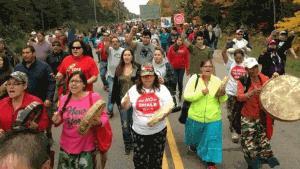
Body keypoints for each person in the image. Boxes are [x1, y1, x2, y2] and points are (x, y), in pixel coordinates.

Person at [52, 71, 110, 169]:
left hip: (87, 146)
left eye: (77, 81)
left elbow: (104, 116)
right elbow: (59, 118)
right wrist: (56, 120)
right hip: (66, 146)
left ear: (84, 84)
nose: (74, 84)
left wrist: (98, 122)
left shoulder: (93, 97)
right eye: (71, 81)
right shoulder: (64, 99)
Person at [121, 63, 174, 169]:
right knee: (139, 161)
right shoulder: (134, 90)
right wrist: (125, 102)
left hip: (158, 132)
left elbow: (170, 105)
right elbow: (125, 106)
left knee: (156, 160)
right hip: (139, 133)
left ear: (154, 76)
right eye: (144, 76)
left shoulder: (162, 89)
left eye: (150, 75)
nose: (147, 78)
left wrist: (163, 115)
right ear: (140, 77)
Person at [183, 59, 227, 169]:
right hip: (195, 116)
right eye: (205, 66)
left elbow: (222, 100)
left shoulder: (217, 80)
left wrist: (222, 94)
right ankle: (194, 145)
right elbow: (187, 96)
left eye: (210, 66)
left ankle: (211, 162)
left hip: (213, 118)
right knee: (194, 139)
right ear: (201, 68)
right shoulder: (195, 79)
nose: (208, 68)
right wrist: (201, 93)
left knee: (213, 140)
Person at [237, 57, 280, 169]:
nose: (255, 70)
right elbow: (239, 97)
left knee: (262, 143)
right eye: (251, 68)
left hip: (261, 118)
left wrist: (276, 79)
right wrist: (251, 93)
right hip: (247, 117)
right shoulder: (243, 80)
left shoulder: (264, 78)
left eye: (256, 66)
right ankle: (252, 165)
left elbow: (273, 90)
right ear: (247, 69)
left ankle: (256, 165)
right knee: (248, 144)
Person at [0, 71, 49, 136]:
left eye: (16, 84)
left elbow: (44, 124)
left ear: (25, 86)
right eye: (8, 84)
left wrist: (37, 127)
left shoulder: (36, 102)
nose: (11, 87)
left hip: (28, 143)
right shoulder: (2, 103)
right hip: (5, 143)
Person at [111, 49, 140, 155]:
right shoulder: (118, 69)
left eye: (129, 55)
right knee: (125, 125)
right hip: (122, 102)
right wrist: (114, 101)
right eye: (125, 55)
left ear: (132, 56)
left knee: (134, 124)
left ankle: (135, 142)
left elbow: (142, 83)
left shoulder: (138, 68)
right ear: (122, 57)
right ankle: (127, 144)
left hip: (135, 102)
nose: (127, 57)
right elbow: (115, 86)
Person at [14, 45, 55, 111]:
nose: (25, 55)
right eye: (23, 53)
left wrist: (49, 98)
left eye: (27, 53)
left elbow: (52, 83)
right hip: (23, 102)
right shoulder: (18, 67)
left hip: (40, 101)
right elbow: (13, 83)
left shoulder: (44, 66)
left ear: (34, 53)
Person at [222, 49, 247, 143]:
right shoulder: (230, 63)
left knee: (240, 112)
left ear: (243, 57)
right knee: (230, 113)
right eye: (236, 58)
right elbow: (223, 53)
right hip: (230, 92)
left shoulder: (246, 65)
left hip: (241, 93)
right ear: (234, 57)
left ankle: (237, 130)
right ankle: (233, 129)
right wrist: (227, 46)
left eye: (240, 58)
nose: (238, 60)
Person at [106, 36, 124, 117]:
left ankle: (122, 107)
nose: (115, 43)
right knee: (111, 93)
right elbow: (105, 49)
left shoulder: (123, 50)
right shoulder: (109, 50)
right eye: (113, 41)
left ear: (119, 42)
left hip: (121, 76)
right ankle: (110, 110)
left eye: (116, 41)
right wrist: (107, 40)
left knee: (121, 93)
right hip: (111, 76)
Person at [167, 37, 190, 101]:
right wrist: (170, 65)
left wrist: (187, 68)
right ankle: (173, 94)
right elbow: (168, 57)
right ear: (176, 40)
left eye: (181, 40)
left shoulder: (185, 49)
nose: (179, 41)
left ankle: (180, 94)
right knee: (174, 81)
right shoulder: (172, 47)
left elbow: (187, 59)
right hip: (173, 68)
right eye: (178, 40)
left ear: (182, 41)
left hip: (181, 68)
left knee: (180, 81)